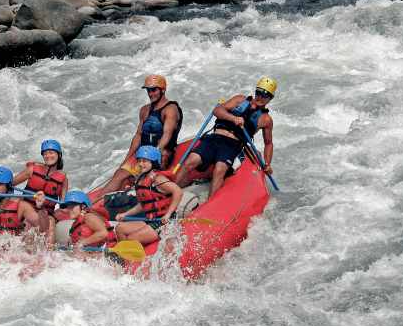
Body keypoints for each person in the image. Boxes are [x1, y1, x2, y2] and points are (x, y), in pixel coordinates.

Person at [174, 77, 277, 196]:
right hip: (215, 138)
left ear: (270, 98)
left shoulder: (266, 119)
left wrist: (267, 164)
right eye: (259, 92)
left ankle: (210, 206)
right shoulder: (240, 100)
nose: (260, 97)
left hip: (232, 145)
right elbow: (217, 110)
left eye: (265, 95)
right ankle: (172, 191)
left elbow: (268, 143)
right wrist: (233, 118)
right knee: (191, 161)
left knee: (220, 169)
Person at [92, 74, 182, 202]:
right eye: (148, 90)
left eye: (154, 90)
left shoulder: (171, 109)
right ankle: (94, 203)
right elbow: (138, 135)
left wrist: (154, 154)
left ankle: (140, 190)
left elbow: (167, 134)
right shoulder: (144, 110)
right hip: (143, 152)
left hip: (162, 152)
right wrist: (127, 158)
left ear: (163, 90)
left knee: (145, 175)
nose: (151, 93)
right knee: (119, 174)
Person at [114, 146, 183, 246]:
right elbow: (145, 204)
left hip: (163, 222)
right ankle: (125, 257)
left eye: (145, 161)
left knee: (131, 239)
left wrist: (168, 214)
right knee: (119, 228)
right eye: (139, 161)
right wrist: (125, 214)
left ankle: (131, 256)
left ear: (153, 162)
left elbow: (178, 192)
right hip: (150, 220)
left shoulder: (158, 179)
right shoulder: (142, 179)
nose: (141, 164)